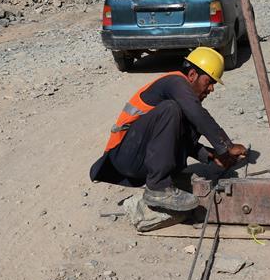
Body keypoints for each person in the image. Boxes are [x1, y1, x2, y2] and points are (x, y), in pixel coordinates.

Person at [89, 47, 247, 215]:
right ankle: (158, 187)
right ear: (192, 74)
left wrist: (212, 156)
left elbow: (181, 138)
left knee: (188, 118)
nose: (211, 89)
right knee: (174, 110)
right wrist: (227, 145)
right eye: (209, 82)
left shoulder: (183, 100)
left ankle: (167, 180)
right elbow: (197, 114)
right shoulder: (174, 82)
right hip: (125, 155)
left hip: (140, 158)